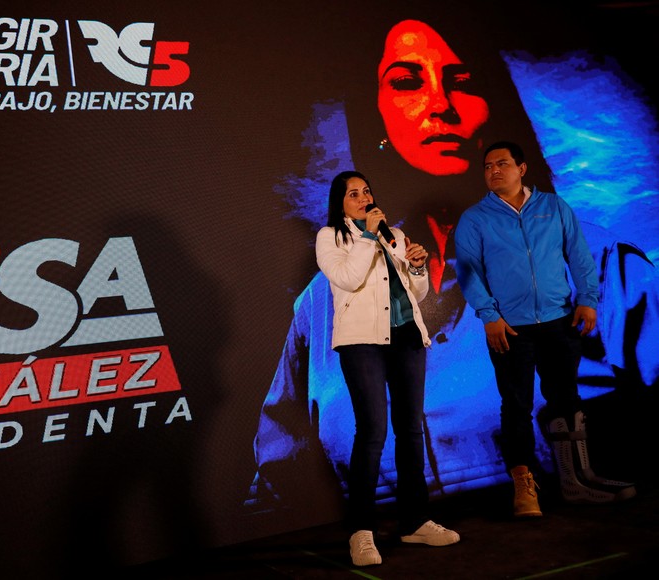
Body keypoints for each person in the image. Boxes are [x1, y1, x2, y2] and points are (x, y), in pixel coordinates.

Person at [245, 10, 658, 519]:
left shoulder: (596, 263)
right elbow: (275, 493)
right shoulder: (323, 299)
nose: (441, 105)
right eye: (407, 81)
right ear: (375, 116)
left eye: (462, 82)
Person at [454, 141, 636, 517]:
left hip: (559, 321)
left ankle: (578, 480)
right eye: (487, 167)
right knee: (516, 406)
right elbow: (469, 272)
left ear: (522, 168)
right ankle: (525, 490)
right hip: (509, 329)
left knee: (566, 400)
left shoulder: (553, 207)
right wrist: (489, 316)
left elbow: (579, 256)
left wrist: (587, 298)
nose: (493, 171)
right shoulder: (476, 219)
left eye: (502, 164)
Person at [316, 169, 459, 566]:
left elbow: (418, 292)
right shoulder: (332, 237)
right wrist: (368, 236)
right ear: (340, 204)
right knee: (372, 431)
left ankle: (415, 522)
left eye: (367, 190)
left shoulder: (392, 233)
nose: (363, 198)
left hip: (407, 339)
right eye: (353, 194)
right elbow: (347, 278)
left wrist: (415, 265)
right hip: (362, 344)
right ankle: (361, 532)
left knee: (411, 429)